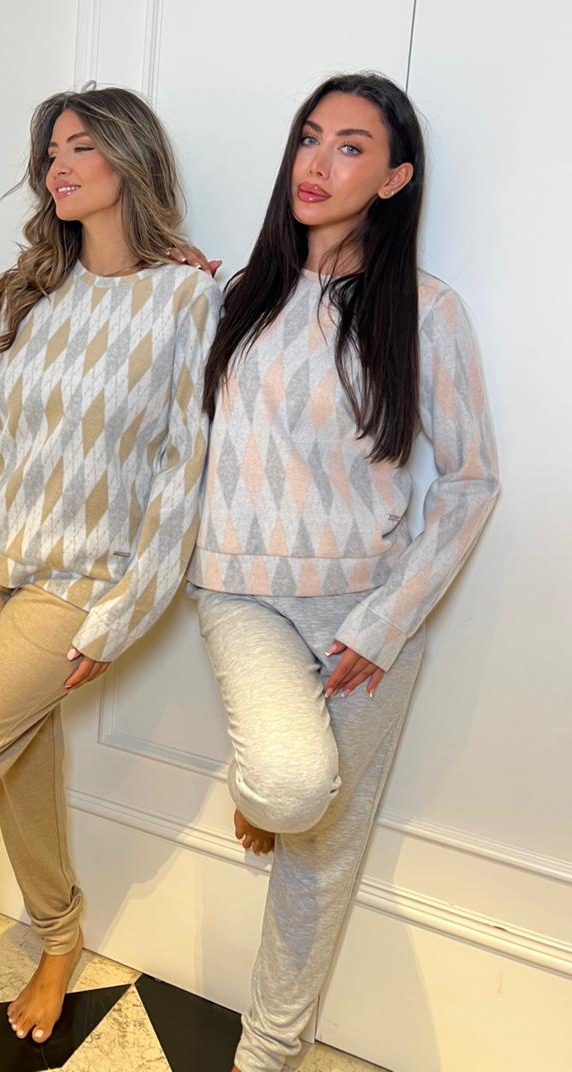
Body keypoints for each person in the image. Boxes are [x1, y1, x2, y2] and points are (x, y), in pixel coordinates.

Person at [0, 85, 221, 1072]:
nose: (56, 166)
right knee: (18, 761)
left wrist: (120, 617)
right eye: (48, 153)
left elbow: (182, 477)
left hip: (77, 584)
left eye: (78, 147)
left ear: (128, 158)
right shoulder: (38, 286)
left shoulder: (188, 298)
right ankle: (62, 931)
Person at [187, 72, 499, 1072]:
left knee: (323, 854)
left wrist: (387, 618)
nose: (317, 164)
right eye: (308, 138)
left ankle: (269, 1053)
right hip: (239, 589)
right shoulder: (238, 293)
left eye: (352, 146)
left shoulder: (426, 308)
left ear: (396, 176)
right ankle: (269, 786)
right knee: (288, 786)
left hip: (365, 612)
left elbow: (470, 479)